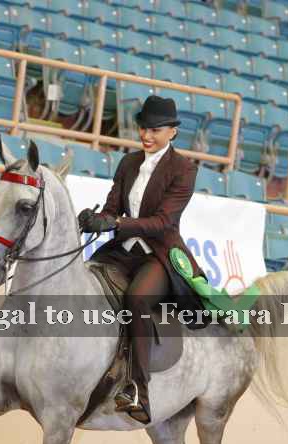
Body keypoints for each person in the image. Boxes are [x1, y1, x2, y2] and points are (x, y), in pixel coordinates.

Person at [78, 96, 201, 424]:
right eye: (143, 128)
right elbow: (112, 206)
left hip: (157, 255)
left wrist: (116, 223)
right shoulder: (128, 162)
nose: (146, 135)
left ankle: (138, 389)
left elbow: (163, 221)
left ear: (172, 132)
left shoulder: (184, 170)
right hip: (122, 251)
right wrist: (97, 219)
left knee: (137, 298)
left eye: (155, 130)